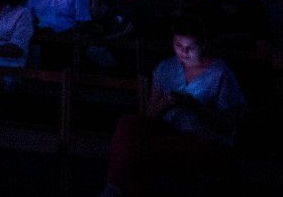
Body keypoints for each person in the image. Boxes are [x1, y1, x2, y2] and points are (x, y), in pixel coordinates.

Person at [103, 17, 246, 196]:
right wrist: (167, 102)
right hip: (167, 128)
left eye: (190, 47)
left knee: (145, 152)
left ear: (202, 45)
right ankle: (114, 187)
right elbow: (148, 115)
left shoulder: (220, 74)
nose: (183, 52)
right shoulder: (166, 68)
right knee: (128, 124)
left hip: (201, 135)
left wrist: (195, 107)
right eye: (178, 45)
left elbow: (229, 124)